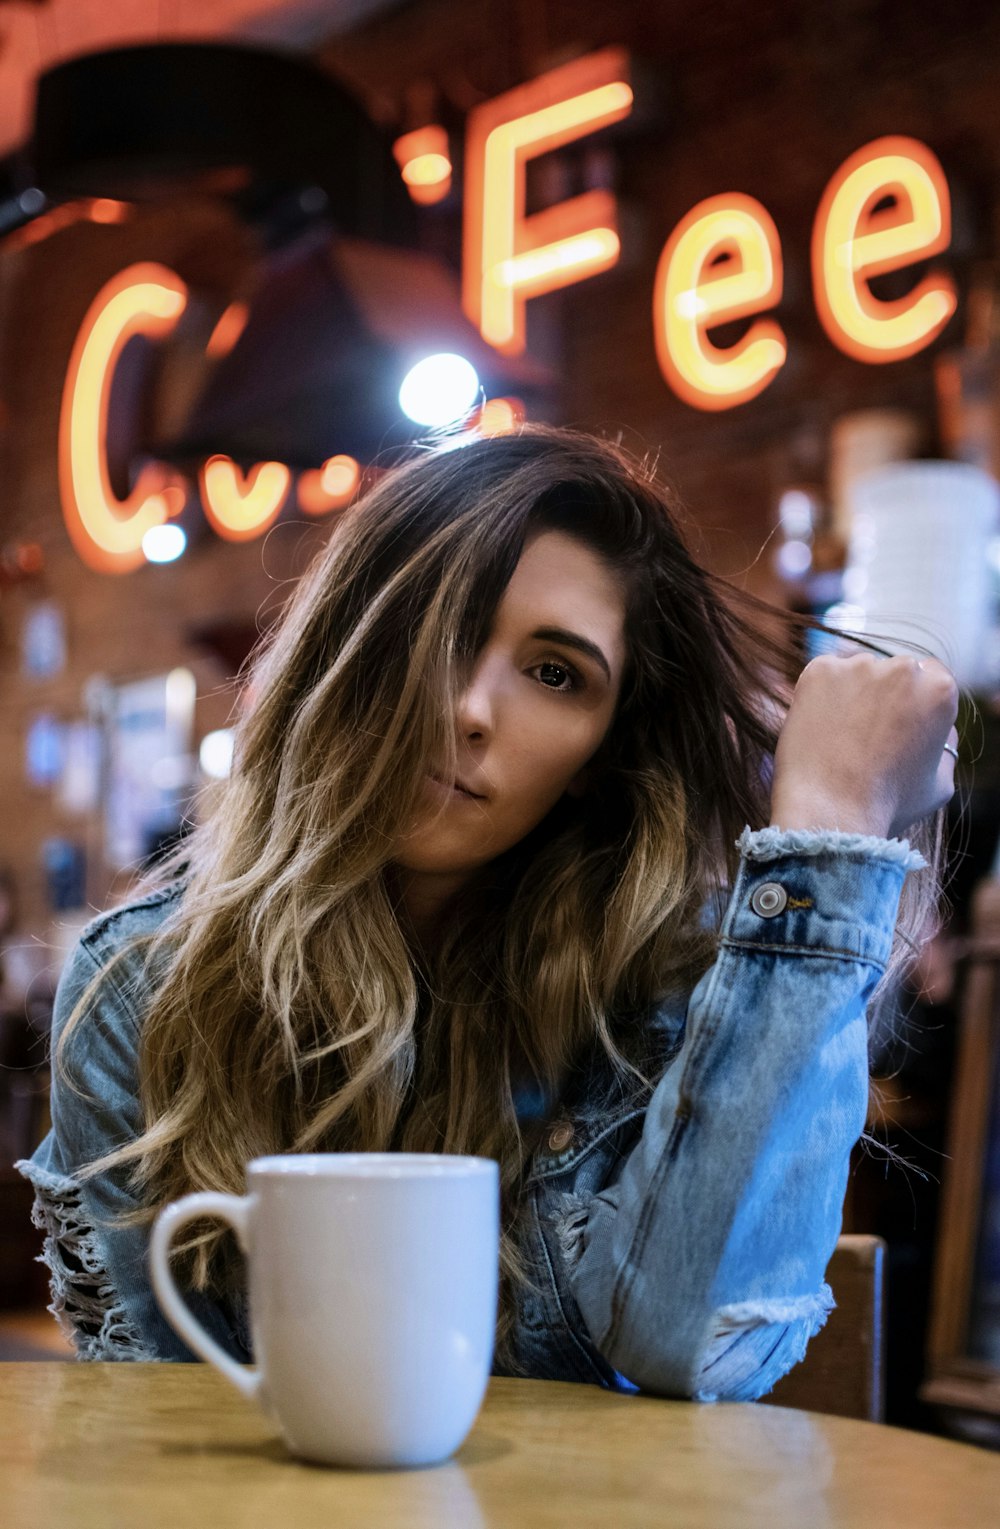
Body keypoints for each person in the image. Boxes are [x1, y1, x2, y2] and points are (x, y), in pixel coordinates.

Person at [17, 425, 957, 1398]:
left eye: (555, 673)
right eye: (447, 628)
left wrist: (830, 830)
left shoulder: (651, 995)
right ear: (353, 640)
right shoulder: (140, 989)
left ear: (600, 749)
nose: (471, 707)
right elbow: (145, 1420)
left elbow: (693, 1336)